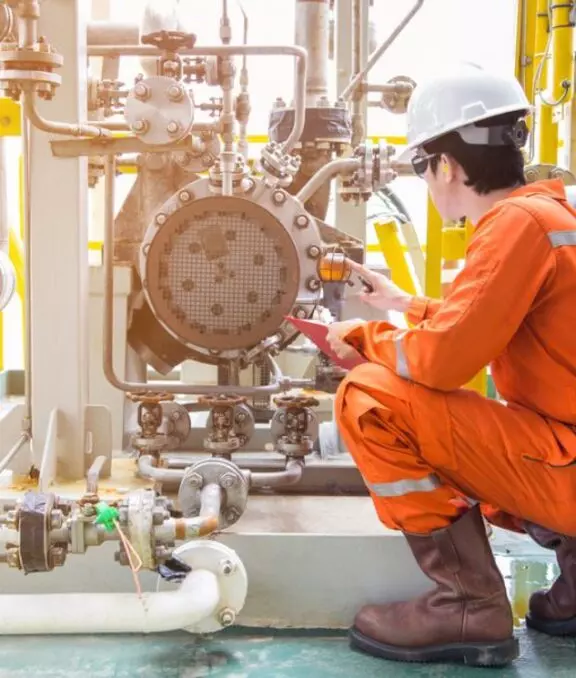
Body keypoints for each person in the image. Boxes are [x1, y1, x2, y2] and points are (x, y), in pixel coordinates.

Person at [325, 63, 576, 668]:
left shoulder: (515, 226)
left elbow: (440, 362)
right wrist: (403, 304)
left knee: (369, 396)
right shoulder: (551, 218)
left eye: (421, 167)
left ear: (446, 166)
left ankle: (467, 605)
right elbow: (495, 322)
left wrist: (360, 335)